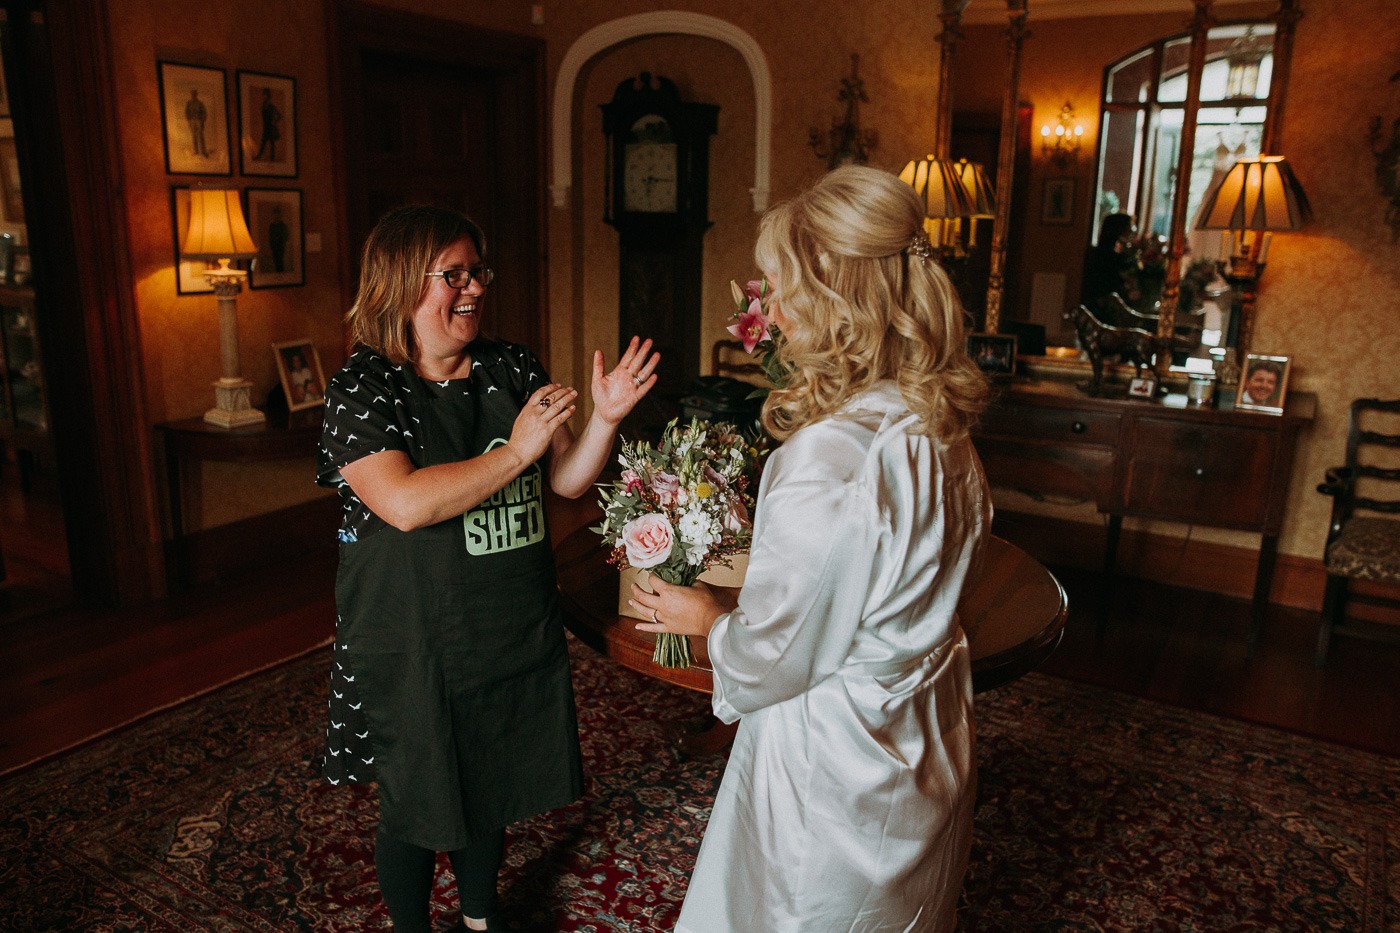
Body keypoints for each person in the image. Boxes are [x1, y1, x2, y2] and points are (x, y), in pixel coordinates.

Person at [630, 165, 992, 932]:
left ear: (834, 301)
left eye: (781, 285)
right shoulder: (943, 427)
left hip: (837, 761)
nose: (772, 308)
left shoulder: (830, 459)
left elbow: (778, 653)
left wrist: (707, 619)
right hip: (925, 728)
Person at [315, 204, 658, 933]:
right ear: (404, 282)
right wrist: (514, 453)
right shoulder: (362, 388)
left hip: (506, 614)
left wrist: (604, 418)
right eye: (454, 275)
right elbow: (403, 503)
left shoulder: (512, 365)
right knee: (417, 789)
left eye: (478, 272)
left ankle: (479, 913)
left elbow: (565, 481)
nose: (472, 288)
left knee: (491, 773)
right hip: (412, 629)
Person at [1080, 211, 1136, 324]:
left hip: (1102, 303)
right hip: (1105, 306)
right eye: (1129, 227)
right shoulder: (1110, 256)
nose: (1132, 231)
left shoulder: (1103, 253)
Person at [253, 88, 282, 161]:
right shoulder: (264, 105)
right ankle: (260, 156)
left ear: (267, 96)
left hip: (270, 127)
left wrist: (274, 122)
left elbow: (279, 115)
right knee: (264, 142)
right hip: (266, 127)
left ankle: (271, 158)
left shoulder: (271, 106)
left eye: (265, 95)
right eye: (264, 95)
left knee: (271, 143)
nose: (264, 96)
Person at [184, 89, 208, 158]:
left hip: (198, 121)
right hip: (192, 121)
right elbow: (186, 112)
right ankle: (196, 151)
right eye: (192, 93)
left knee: (200, 136)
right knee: (194, 136)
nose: (193, 95)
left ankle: (203, 151)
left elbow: (204, 112)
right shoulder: (188, 103)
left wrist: (202, 121)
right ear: (191, 94)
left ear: (196, 94)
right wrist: (189, 119)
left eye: (194, 93)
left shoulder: (200, 103)